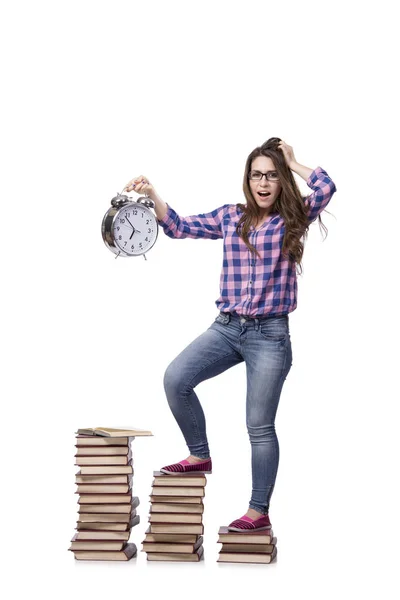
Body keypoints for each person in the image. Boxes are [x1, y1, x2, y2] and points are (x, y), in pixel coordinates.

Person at [123, 137, 337, 532]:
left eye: (273, 176)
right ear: (247, 179)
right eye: (257, 175)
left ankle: (258, 511)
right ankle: (199, 455)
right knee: (176, 379)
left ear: (281, 180)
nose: (264, 183)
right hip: (226, 328)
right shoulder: (230, 216)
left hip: (270, 336)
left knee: (258, 425)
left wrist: (294, 162)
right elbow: (179, 227)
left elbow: (326, 187)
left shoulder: (292, 218)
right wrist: (152, 194)